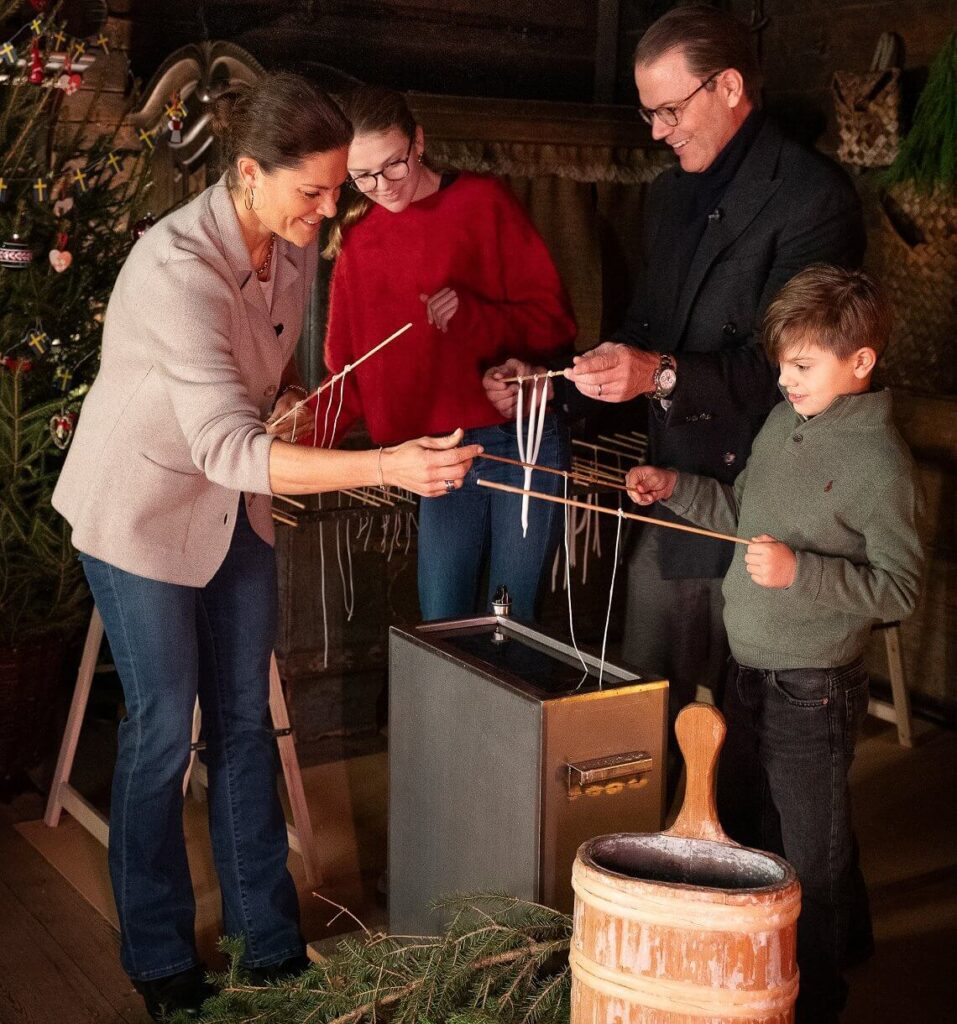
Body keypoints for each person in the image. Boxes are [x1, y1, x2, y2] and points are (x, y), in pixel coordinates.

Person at [51, 73, 479, 1022]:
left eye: (337, 191)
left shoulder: (290, 240)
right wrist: (386, 468)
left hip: (231, 503)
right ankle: (157, 955)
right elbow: (227, 447)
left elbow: (266, 382)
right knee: (166, 730)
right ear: (248, 172)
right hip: (145, 513)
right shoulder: (175, 269)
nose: (332, 212)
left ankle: (270, 942)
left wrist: (289, 395)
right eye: (314, 193)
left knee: (246, 718)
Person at [484, 4, 865, 732]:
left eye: (667, 109)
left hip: (772, 496)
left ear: (726, 86)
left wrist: (657, 374)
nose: (655, 132)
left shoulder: (813, 199)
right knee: (646, 699)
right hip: (681, 479)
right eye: (647, 113)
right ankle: (648, 843)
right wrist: (563, 383)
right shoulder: (669, 197)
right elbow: (645, 332)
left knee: (752, 728)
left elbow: (799, 376)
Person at [625, 265, 924, 1024]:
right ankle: (833, 944)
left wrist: (801, 574)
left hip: (811, 685)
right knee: (765, 823)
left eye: (803, 366)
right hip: (746, 666)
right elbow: (741, 510)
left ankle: (815, 999)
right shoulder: (782, 423)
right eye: (781, 365)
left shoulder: (878, 463)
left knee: (810, 855)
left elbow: (898, 590)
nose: (786, 380)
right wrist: (675, 487)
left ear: (860, 361)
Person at [319, 84, 577, 621]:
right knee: (442, 627)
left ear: (418, 141)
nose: (381, 188)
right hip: (435, 456)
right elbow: (346, 380)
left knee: (514, 623)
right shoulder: (358, 244)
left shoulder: (483, 202)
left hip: (519, 438)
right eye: (361, 177)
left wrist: (474, 314)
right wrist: (291, 441)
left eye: (393, 166)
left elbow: (556, 325)